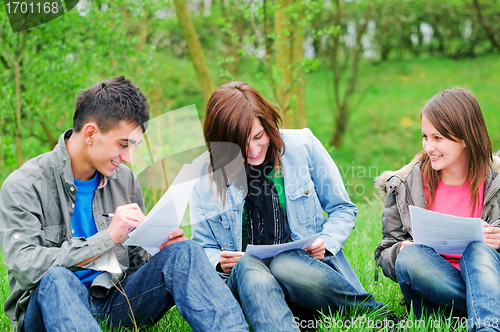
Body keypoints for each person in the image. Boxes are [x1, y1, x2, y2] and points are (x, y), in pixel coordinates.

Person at [0, 76, 249, 332]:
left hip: (112, 300)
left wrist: (158, 247)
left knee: (185, 252)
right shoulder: (24, 185)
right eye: (123, 145)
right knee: (58, 278)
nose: (128, 158)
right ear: (90, 133)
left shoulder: (124, 180)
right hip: (49, 308)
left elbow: (136, 262)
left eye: (134, 147)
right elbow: (27, 268)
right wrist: (108, 237)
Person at [190, 81, 381, 332]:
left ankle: (373, 314)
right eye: (240, 144)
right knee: (249, 265)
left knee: (284, 262)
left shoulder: (304, 146)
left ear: (268, 126)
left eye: (259, 136)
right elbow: (203, 245)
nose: (254, 149)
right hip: (249, 285)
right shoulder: (204, 175)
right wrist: (218, 261)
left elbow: (342, 209)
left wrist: (326, 241)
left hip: (304, 274)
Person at [374, 88, 500, 331]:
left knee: (478, 249)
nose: (428, 147)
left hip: (487, 276)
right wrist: (399, 250)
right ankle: (487, 310)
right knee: (411, 257)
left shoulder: (496, 181)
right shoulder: (405, 184)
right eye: (425, 137)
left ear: (465, 137)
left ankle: (485, 324)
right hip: (433, 285)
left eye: (438, 138)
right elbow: (383, 253)